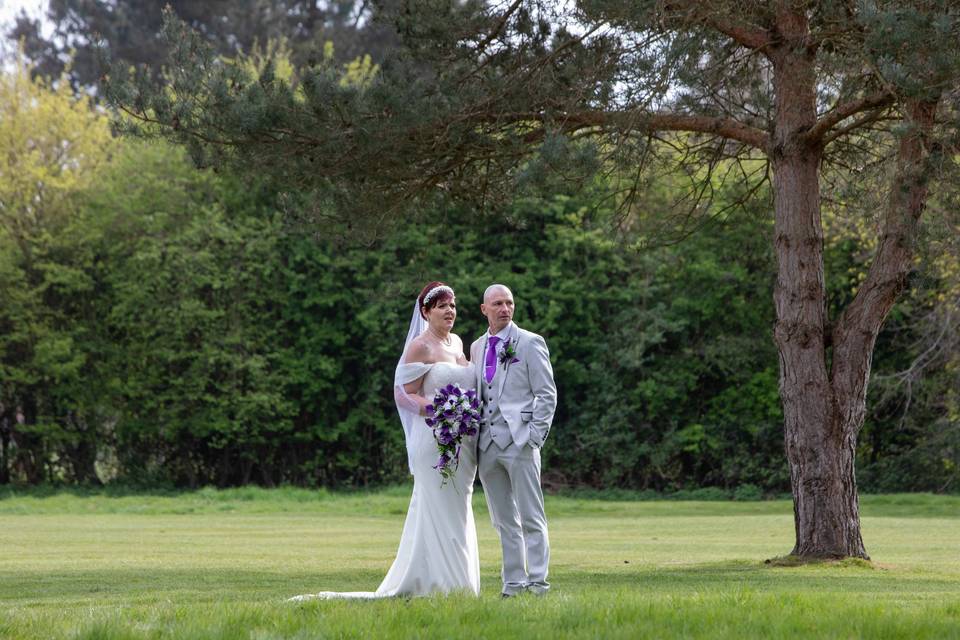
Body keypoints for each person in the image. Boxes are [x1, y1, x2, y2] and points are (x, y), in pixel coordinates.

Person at [289, 281, 480, 600]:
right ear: (426, 312)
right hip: (433, 439)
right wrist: (440, 410)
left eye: (453, 305)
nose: (450, 311)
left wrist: (463, 410)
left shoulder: (457, 342)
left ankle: (454, 583)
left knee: (458, 509)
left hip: (461, 443)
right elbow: (403, 394)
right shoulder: (420, 347)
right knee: (437, 508)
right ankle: (445, 586)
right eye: (442, 306)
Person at [470, 284, 557, 598]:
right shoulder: (477, 347)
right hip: (487, 446)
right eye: (497, 304)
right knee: (504, 522)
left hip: (521, 443)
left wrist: (535, 437)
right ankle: (513, 584)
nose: (504, 308)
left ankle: (538, 584)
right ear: (485, 309)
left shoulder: (531, 342)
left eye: (509, 303)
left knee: (532, 517)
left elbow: (546, 394)